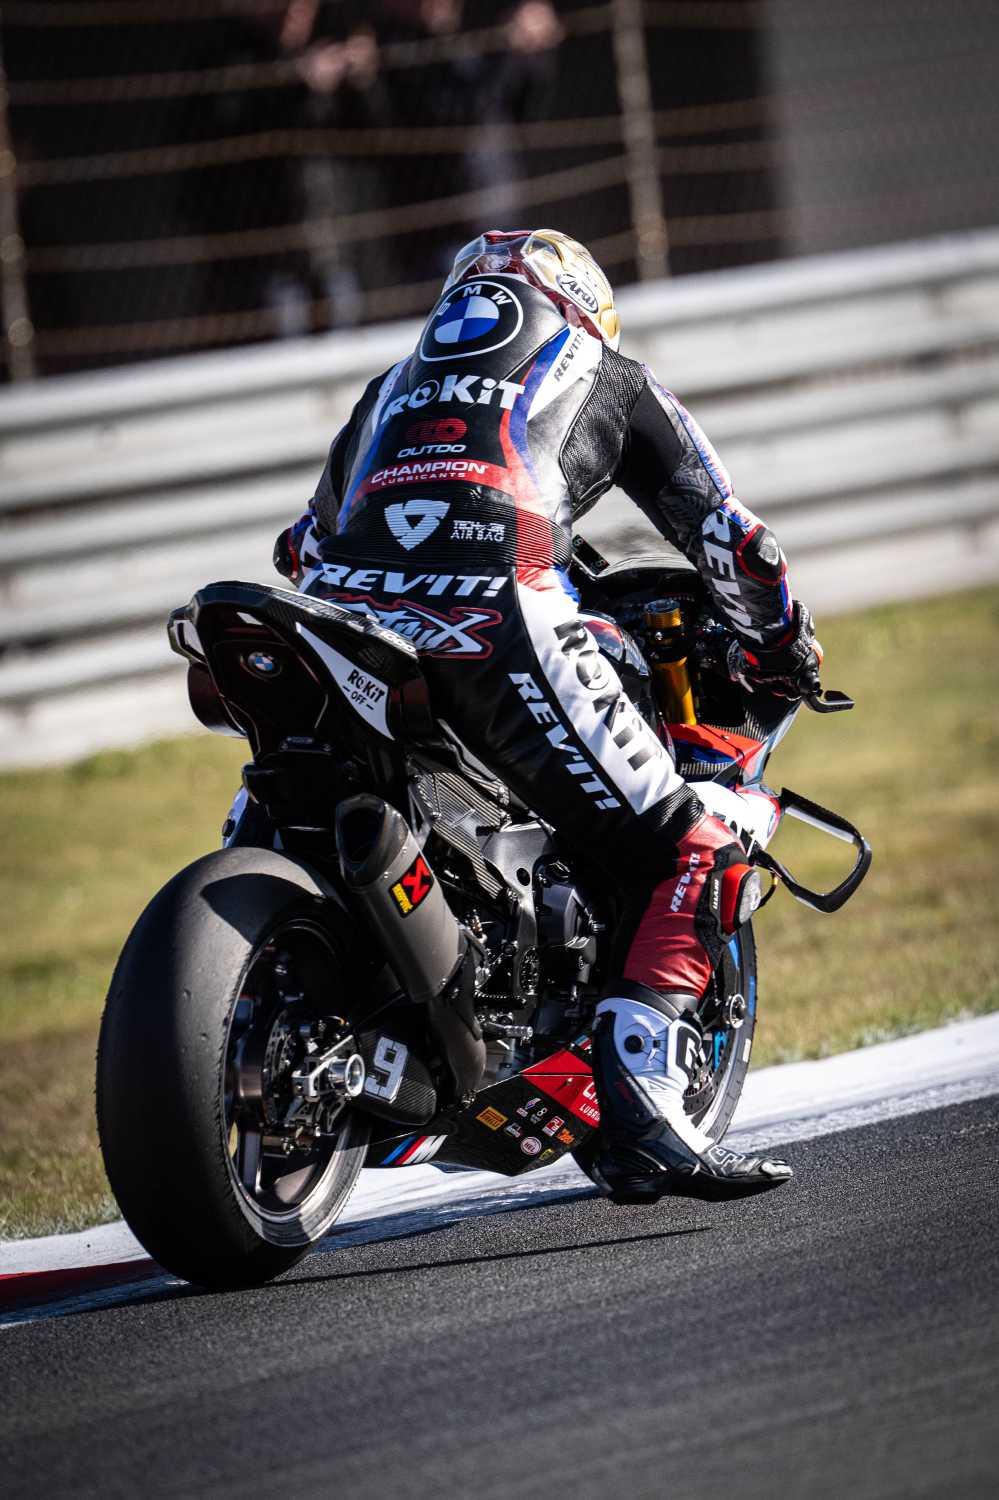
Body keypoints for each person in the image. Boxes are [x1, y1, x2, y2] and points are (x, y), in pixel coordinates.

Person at [273, 229, 820, 1203]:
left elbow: (301, 548)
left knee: (291, 793)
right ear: (584, 306)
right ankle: (644, 1110)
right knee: (691, 844)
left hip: (341, 621)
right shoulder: (604, 371)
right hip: (499, 609)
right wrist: (782, 649)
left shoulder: (389, 389)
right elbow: (739, 546)